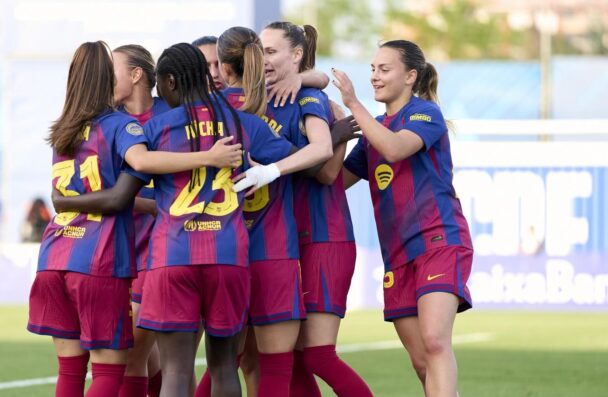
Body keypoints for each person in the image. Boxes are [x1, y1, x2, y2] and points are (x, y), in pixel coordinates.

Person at [28, 41, 242, 397]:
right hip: (104, 258)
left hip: (56, 255)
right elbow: (135, 173)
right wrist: (208, 158)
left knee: (74, 369)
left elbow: (80, 196)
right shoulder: (123, 126)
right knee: (119, 366)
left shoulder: (63, 129)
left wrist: (66, 201)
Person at [133, 42, 296, 397]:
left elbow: (127, 186)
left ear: (172, 82)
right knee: (224, 367)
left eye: (162, 86)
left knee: (176, 371)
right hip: (228, 254)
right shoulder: (243, 123)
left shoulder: (158, 128)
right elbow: (298, 160)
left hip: (173, 255)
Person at [211, 26, 361, 397]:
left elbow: (327, 172)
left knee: (315, 355)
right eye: (259, 51)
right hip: (270, 241)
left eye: (272, 51)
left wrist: (334, 131)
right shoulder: (258, 100)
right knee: (260, 358)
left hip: (319, 236)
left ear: (296, 55)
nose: (263, 59)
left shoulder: (307, 95)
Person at [332, 40, 473, 397]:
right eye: (372, 70)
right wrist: (328, 131)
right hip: (397, 255)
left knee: (436, 342)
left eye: (384, 69)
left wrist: (351, 103)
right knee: (423, 362)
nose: (375, 77)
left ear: (410, 76)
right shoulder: (374, 130)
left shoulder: (425, 114)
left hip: (438, 240)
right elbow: (333, 183)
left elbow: (394, 148)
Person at [113, 43, 168, 397]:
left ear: (136, 75)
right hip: (117, 250)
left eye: (112, 70)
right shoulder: (108, 121)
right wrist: (145, 203)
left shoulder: (173, 115)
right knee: (149, 358)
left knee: (133, 354)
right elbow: (104, 190)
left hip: (161, 251)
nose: (103, 79)